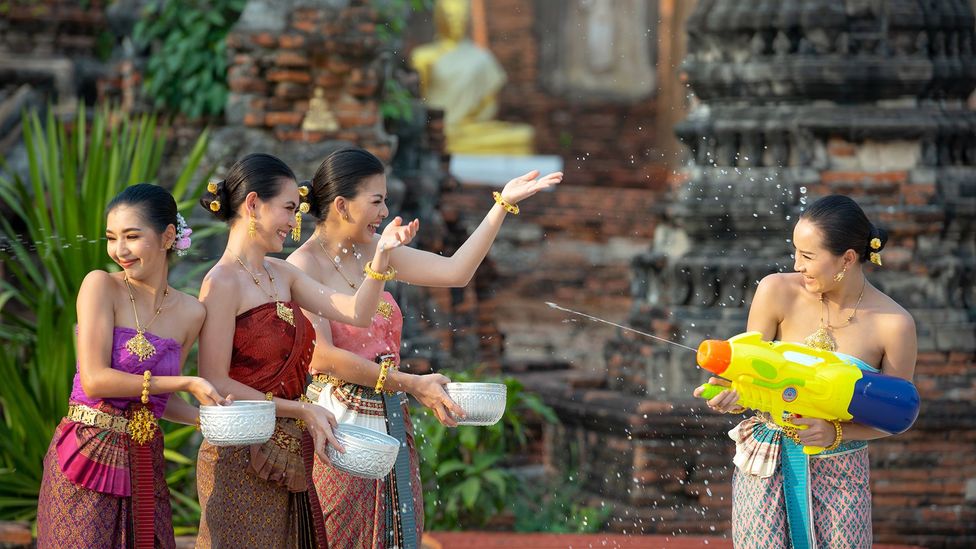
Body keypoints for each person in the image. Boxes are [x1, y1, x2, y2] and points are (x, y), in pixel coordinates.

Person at [286, 147, 562, 548]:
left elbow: (456, 271)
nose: (384, 212)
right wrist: (412, 384)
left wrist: (501, 205)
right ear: (342, 206)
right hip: (338, 428)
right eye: (376, 201)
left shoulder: (376, 249)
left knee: (399, 535)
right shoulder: (302, 267)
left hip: (392, 420)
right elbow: (322, 357)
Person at [194, 152, 418, 548]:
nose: (294, 221)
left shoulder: (282, 273)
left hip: (294, 452)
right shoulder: (221, 282)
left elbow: (357, 312)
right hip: (239, 454)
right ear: (252, 205)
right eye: (287, 209)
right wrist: (299, 408)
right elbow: (215, 381)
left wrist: (381, 258)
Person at [695, 195, 917, 548]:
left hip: (841, 470)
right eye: (796, 252)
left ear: (846, 258)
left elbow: (895, 415)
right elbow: (744, 376)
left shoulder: (894, 325)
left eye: (808, 257)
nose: (797, 265)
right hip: (767, 459)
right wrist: (728, 395)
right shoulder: (776, 291)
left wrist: (835, 434)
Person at [37, 184, 230, 549]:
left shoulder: (192, 312)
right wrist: (187, 381)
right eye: (112, 238)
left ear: (168, 236)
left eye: (131, 236)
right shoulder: (100, 286)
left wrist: (211, 419)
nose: (119, 250)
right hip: (85, 454)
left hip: (143, 459)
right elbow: (95, 380)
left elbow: (160, 398)